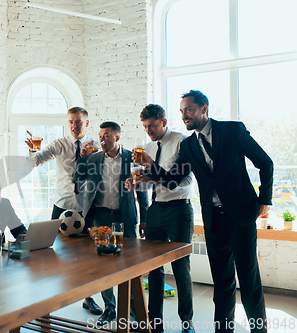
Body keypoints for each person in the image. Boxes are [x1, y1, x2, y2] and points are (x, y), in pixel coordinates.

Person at [134, 90, 273, 333]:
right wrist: (149, 165)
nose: (184, 115)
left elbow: (265, 162)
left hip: (240, 217)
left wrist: (265, 200)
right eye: (181, 111)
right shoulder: (188, 146)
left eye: (188, 109)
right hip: (213, 220)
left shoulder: (232, 131)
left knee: (249, 282)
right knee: (222, 283)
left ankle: (259, 330)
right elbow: (173, 180)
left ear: (204, 108)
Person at [26, 106, 103, 316]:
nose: (74, 125)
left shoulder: (96, 146)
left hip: (86, 207)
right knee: (49, 252)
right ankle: (46, 301)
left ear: (86, 123)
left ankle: (89, 298)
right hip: (61, 205)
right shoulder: (60, 144)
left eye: (78, 121)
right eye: (70, 121)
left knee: (88, 255)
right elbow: (34, 162)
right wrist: (33, 150)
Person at [129, 104, 195, 333]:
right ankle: (154, 323)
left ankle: (187, 323)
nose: (149, 131)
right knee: (153, 268)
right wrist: (139, 182)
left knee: (180, 268)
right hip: (155, 209)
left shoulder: (182, 142)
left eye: (153, 126)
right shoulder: (147, 146)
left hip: (179, 211)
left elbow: (181, 182)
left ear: (164, 122)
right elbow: (155, 180)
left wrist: (149, 165)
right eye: (145, 127)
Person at [73, 121, 140, 325]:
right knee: (104, 265)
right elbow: (77, 178)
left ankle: (133, 312)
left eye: (107, 135)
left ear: (117, 137)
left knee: (129, 264)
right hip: (100, 216)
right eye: (100, 135)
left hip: (124, 217)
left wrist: (143, 218)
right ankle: (110, 308)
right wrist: (82, 158)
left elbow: (142, 187)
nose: (102, 139)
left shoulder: (132, 157)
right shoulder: (93, 157)